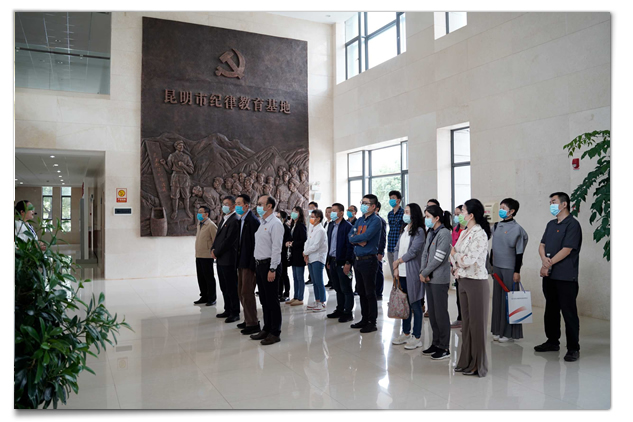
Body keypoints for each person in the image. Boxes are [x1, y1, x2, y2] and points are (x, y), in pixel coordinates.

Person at [535, 192, 583, 362]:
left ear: (564, 204)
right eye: (550, 202)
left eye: (554, 202)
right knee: (551, 309)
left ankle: (573, 348)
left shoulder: (573, 224)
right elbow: (542, 245)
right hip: (549, 275)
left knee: (568, 312)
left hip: (565, 276)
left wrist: (547, 264)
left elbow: (567, 249)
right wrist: (544, 260)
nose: (551, 205)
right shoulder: (551, 224)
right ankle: (552, 341)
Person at [451, 199, 492, 377]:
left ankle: (477, 364)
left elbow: (468, 259)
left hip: (476, 282)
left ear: (471, 214)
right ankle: (466, 361)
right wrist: (456, 258)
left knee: (477, 325)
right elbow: (454, 255)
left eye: (463, 211)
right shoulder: (465, 232)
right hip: (463, 279)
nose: (460, 214)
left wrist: (456, 256)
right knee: (466, 325)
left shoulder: (480, 233)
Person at [417, 205, 453, 360]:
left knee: (440, 313)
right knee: (432, 313)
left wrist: (425, 272)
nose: (426, 219)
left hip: (439, 279)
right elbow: (425, 254)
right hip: (428, 278)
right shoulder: (431, 232)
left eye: (428, 216)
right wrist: (422, 271)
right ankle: (435, 343)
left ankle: (444, 347)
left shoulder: (444, 233)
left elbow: (439, 258)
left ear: (437, 218)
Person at [490, 198, 529, 342]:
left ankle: (508, 333)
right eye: (500, 207)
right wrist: (491, 266)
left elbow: (519, 253)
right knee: (497, 299)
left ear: (512, 211)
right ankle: (497, 330)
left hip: (510, 268)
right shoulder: (496, 226)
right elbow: (493, 247)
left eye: (504, 208)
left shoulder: (517, 229)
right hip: (497, 267)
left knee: (509, 300)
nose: (501, 210)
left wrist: (517, 271)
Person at [250, 194, 285, 345]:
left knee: (272, 300)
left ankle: (275, 332)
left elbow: (277, 249)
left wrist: (272, 268)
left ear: (269, 206)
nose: (258, 206)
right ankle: (266, 328)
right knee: (264, 300)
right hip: (260, 265)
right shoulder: (262, 222)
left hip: (270, 265)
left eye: (260, 204)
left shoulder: (275, 224)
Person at [390, 203, 426, 350]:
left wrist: (398, 261)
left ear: (414, 214)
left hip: (413, 272)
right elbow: (397, 248)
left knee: (415, 304)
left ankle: (416, 337)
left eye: (407, 212)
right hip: (401, 272)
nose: (405, 214)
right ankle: (405, 333)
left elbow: (413, 251)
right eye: (404, 211)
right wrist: (396, 267)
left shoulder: (419, 232)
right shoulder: (404, 230)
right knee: (405, 304)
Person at [348, 194, 382, 333]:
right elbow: (350, 236)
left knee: (369, 292)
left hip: (369, 260)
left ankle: (372, 322)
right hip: (358, 260)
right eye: (362, 202)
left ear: (373, 206)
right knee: (361, 291)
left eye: (366, 203)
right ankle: (364, 318)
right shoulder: (360, 220)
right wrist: (357, 240)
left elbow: (367, 236)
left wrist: (356, 238)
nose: (363, 205)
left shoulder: (376, 220)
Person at [235, 194, 261, 335]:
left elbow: (255, 245)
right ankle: (247, 319)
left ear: (246, 206)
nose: (237, 206)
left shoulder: (253, 221)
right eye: (236, 203)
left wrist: (253, 265)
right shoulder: (241, 220)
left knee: (247, 292)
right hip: (241, 261)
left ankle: (253, 323)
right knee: (241, 291)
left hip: (249, 263)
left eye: (239, 204)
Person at [211, 196, 240, 323]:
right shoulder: (224, 218)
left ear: (233, 206)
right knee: (224, 286)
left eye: (227, 204)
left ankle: (235, 312)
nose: (224, 206)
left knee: (231, 287)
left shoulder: (235, 220)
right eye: (223, 204)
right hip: (221, 259)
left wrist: (216, 252)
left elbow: (229, 241)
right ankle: (227, 309)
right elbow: (218, 238)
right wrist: (213, 249)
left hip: (229, 259)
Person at [326, 203, 355, 322]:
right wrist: (328, 260)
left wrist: (348, 262)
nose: (332, 213)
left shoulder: (347, 226)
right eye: (331, 210)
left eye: (334, 210)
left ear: (341, 213)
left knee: (346, 288)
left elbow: (350, 246)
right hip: (333, 260)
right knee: (337, 287)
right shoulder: (331, 225)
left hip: (343, 261)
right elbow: (329, 244)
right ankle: (340, 309)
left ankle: (348, 312)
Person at [303, 209, 329, 312]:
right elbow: (307, 241)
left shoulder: (321, 230)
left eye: (313, 217)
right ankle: (317, 300)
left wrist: (306, 252)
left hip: (318, 258)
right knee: (314, 281)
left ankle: (322, 302)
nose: (311, 218)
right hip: (311, 257)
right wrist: (305, 252)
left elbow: (316, 246)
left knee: (319, 281)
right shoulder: (312, 228)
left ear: (318, 218)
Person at [192, 206, 218, 306]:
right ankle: (204, 296)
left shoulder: (211, 225)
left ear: (206, 214)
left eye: (200, 212)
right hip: (199, 254)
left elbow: (216, 241)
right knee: (201, 277)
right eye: (198, 212)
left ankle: (212, 298)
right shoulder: (200, 224)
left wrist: (214, 252)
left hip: (207, 256)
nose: (198, 214)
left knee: (208, 277)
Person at [286, 207, 308, 306]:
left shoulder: (301, 226)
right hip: (293, 254)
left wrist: (293, 244)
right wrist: (288, 242)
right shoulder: (293, 225)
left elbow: (303, 240)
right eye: (293, 211)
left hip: (299, 254)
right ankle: (295, 296)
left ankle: (300, 297)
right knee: (294, 277)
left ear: (300, 214)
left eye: (296, 211)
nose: (293, 213)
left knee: (299, 277)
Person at [451, 205, 466, 329]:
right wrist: (452, 265)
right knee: (458, 295)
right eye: (455, 214)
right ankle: (460, 318)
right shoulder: (455, 230)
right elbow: (452, 248)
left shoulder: (469, 230)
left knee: (466, 296)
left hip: (465, 265)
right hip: (456, 266)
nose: (457, 217)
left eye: (459, 214)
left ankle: (467, 321)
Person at [387, 190, 405, 283]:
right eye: (390, 198)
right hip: (390, 246)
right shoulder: (390, 214)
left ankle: (401, 289)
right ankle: (395, 289)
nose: (391, 200)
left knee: (400, 272)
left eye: (393, 198)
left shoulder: (403, 213)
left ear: (398, 200)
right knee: (393, 272)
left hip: (399, 246)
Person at [277, 210, 292, 302]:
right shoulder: (276, 227)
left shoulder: (285, 228)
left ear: (284, 219)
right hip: (277, 254)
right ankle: (279, 292)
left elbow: (288, 240)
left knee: (284, 274)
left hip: (283, 254)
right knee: (279, 274)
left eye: (279, 217)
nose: (277, 219)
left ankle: (286, 293)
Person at [374, 202, 387, 300]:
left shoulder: (380, 221)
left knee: (378, 272)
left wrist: (380, 252)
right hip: (369, 251)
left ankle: (379, 292)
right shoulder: (366, 221)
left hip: (377, 251)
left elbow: (383, 238)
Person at [305, 201, 319, 285]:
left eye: (312, 207)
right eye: (309, 207)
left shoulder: (319, 219)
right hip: (309, 241)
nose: (310, 209)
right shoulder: (308, 218)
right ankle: (311, 278)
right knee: (309, 262)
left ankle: (314, 279)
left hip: (315, 244)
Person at [323, 206, 333, 289]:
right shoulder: (326, 223)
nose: (327, 214)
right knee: (326, 265)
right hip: (325, 248)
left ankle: (333, 282)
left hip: (330, 247)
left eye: (329, 212)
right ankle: (330, 281)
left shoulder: (333, 223)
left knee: (330, 265)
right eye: (326, 212)